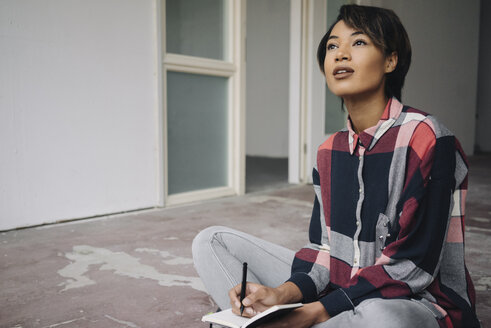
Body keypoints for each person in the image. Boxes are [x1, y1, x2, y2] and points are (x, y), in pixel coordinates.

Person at [192, 4, 480, 328]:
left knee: (381, 318)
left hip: (411, 302)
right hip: (340, 288)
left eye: (358, 42)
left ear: (390, 60)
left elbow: (412, 266)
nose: (340, 54)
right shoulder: (328, 151)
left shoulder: (427, 138)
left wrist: (311, 312)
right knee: (211, 241)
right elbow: (323, 249)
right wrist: (282, 294)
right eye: (332, 46)